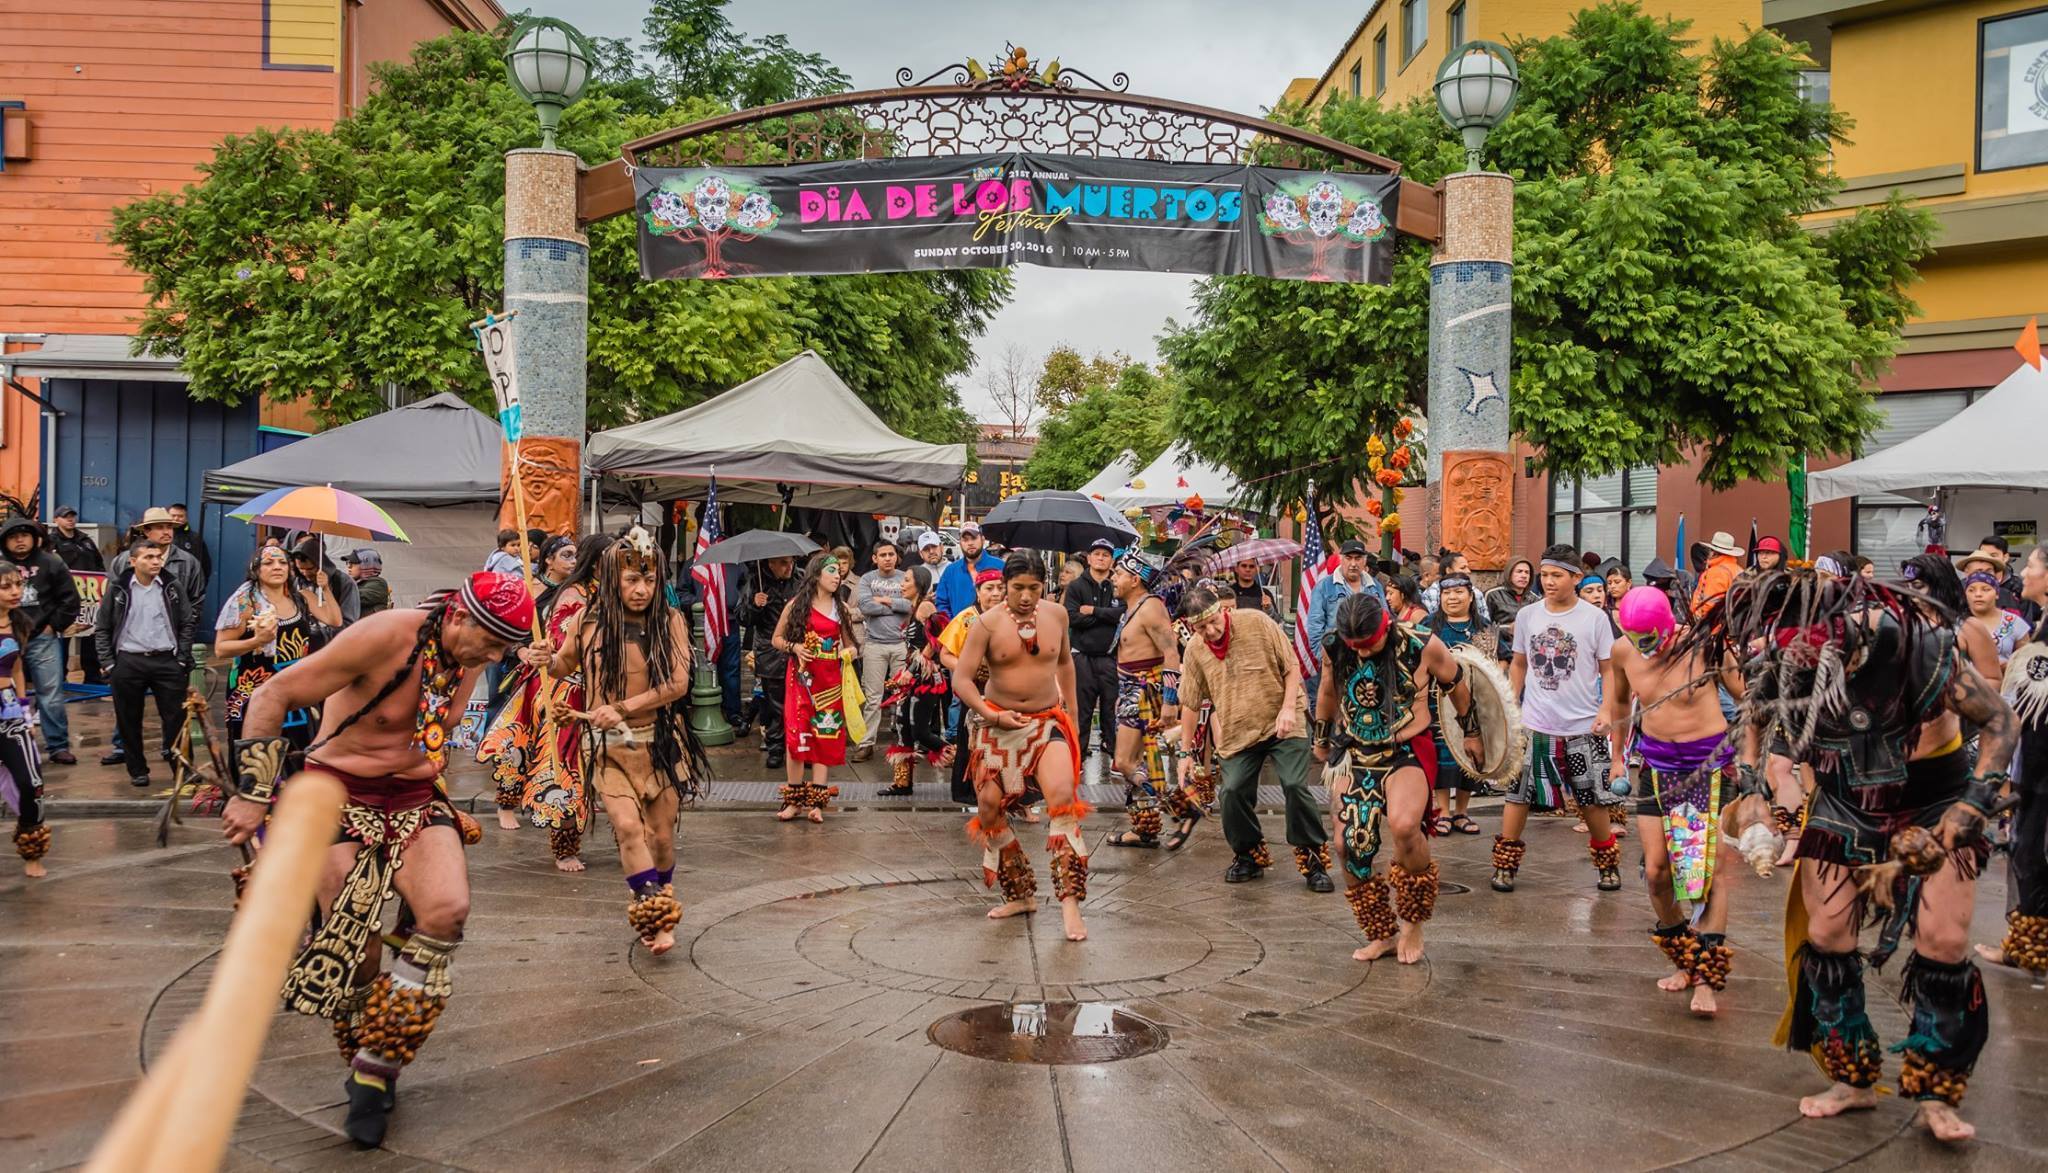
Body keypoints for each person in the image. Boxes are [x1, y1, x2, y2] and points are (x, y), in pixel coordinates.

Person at [1686, 567, 2015, 1145]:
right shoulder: (1785, 659)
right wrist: (1754, 787)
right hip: (1844, 802)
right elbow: (1754, 724)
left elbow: (2000, 722)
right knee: (1829, 935)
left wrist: (1972, 807)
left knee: (1943, 942)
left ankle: (1937, 1090)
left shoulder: (1920, 648)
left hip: (1932, 801)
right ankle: (1853, 1078)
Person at [218, 571, 531, 1148]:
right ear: (459, 617)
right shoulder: (383, 636)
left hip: (414, 797)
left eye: (503, 647)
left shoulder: (473, 654)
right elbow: (271, 695)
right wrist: (253, 792)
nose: (494, 656)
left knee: (446, 912)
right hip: (338, 794)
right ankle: (364, 1049)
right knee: (352, 944)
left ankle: (378, 1063)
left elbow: (440, 725)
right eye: (490, 643)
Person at [525, 527, 706, 954]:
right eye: (631, 580)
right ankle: (655, 918)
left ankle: (658, 898)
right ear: (613, 579)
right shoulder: (586, 620)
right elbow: (561, 664)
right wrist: (543, 658)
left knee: (660, 836)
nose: (641, 589)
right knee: (627, 828)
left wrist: (623, 708)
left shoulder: (671, 619)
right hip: (608, 746)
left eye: (648, 579)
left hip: (659, 740)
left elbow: (679, 683)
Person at [1603, 587, 1746, 1017]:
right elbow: (1619, 705)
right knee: (1657, 873)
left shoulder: (1706, 641)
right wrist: (1616, 760)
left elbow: (1748, 696)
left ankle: (1706, 977)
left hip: (1708, 769)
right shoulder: (1623, 651)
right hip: (1657, 769)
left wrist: (1756, 757)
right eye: (1636, 637)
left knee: (1703, 874)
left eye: (1651, 638)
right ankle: (1684, 958)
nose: (1644, 646)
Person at [1314, 590, 1475, 962]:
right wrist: (1321, 739)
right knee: (1346, 846)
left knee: (1404, 827)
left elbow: (1456, 684)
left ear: (1386, 626)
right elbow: (1327, 690)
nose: (1363, 653)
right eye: (1356, 646)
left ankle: (1413, 923)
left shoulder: (1422, 644)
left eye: (1369, 645)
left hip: (1406, 749)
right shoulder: (1334, 646)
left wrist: (1472, 733)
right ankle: (1381, 933)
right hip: (1355, 752)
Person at [952, 552, 1090, 941]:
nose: (1026, 596)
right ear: (1005, 587)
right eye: (1017, 589)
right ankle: (1020, 894)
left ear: (1043, 586)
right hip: (998, 723)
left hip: (1047, 722)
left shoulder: (1057, 616)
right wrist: (990, 715)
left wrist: (1074, 716)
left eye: (1034, 588)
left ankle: (1070, 905)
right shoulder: (986, 624)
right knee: (989, 809)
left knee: (1062, 797)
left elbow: (1065, 663)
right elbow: (962, 680)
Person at [1178, 581, 1333, 890]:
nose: (1209, 631)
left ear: (1222, 610)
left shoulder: (1257, 622)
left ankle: (1312, 857)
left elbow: (1291, 667)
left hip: (1282, 723)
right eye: (1200, 628)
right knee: (1232, 792)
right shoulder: (1196, 650)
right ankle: (1248, 854)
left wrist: (1288, 709)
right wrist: (1185, 754)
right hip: (1238, 730)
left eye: (1212, 622)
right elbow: (1190, 703)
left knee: (1293, 785)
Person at [1494, 543, 1622, 893]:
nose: (1548, 581)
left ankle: (1607, 864)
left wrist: (1606, 709)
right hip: (1535, 723)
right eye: (1545, 574)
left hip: (1582, 726)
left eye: (1557, 575)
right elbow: (1519, 663)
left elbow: (1609, 671)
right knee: (1518, 795)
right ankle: (1505, 865)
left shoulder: (1595, 619)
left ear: (1576, 578)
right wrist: (1511, 706)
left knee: (1591, 799)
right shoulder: (1528, 615)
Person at [480, 534, 607, 864]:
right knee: (542, 756)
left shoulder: (607, 592)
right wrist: (521, 649)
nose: (569, 559)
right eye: (564, 554)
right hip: (558, 683)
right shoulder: (552, 591)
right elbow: (559, 642)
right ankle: (558, 841)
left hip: (600, 690)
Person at [215, 546, 342, 786]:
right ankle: (253, 801)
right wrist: (257, 641)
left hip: (295, 684)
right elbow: (221, 648)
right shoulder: (246, 602)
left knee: (298, 741)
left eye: (282, 563)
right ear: (256, 569)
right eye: (269, 563)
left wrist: (325, 587)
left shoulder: (302, 597)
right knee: (256, 749)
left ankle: (294, 801)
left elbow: (334, 619)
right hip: (253, 687)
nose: (277, 568)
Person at [1983, 544, 2047, 980]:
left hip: (2042, 764)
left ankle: (2028, 948)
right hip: (2036, 762)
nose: (2023, 571)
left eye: (2031, 565)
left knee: (2031, 853)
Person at [94, 539, 198, 789]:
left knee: (176, 719)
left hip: (167, 660)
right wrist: (109, 663)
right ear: (133, 561)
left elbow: (186, 622)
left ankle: (184, 769)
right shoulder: (118, 588)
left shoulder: (171, 586)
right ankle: (137, 769)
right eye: (148, 557)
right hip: (128, 660)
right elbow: (103, 627)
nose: (155, 561)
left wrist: (182, 658)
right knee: (128, 720)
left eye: (158, 556)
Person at [774, 551, 861, 823]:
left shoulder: (841, 609)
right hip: (800, 681)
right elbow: (776, 639)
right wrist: (795, 647)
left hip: (830, 683)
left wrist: (847, 654)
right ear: (817, 574)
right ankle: (793, 801)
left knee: (825, 736)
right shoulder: (796, 605)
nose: (838, 576)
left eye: (839, 571)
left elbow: (853, 647)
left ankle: (818, 803)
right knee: (796, 739)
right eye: (832, 571)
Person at [1104, 552, 1184, 850]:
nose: (1113, 579)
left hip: (1142, 691)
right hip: (1130, 690)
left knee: (1124, 762)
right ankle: (1144, 829)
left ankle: (1174, 803)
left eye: (1118, 574)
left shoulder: (1150, 608)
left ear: (1134, 579)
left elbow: (1171, 653)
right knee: (1135, 763)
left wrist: (1169, 701)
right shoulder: (1134, 606)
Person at [0, 515, 80, 765]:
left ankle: (57, 746)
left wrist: (52, 625)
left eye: (24, 535)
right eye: (13, 537)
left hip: (41, 639)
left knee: (50, 693)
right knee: (5, 692)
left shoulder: (52, 562)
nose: (20, 540)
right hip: (5, 638)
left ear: (35, 539)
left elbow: (70, 599)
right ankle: (9, 746)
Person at [1419, 573, 1486, 836]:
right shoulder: (1428, 626)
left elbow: (1501, 658)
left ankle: (1462, 811)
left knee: (1470, 755)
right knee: (1441, 754)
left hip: (1473, 702)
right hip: (1437, 701)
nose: (1453, 597)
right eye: (1447, 593)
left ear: (1470, 596)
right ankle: (1443, 811)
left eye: (1459, 592)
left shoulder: (1484, 628)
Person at [938, 570, 1006, 805]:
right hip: (974, 689)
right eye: (989, 588)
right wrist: (967, 669)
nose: (995, 593)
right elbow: (945, 654)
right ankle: (971, 793)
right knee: (971, 741)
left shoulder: (1011, 615)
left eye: (1000, 587)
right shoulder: (967, 618)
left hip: (1005, 690)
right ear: (978, 592)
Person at [0, 565, 50, 877]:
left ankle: (32, 851)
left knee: (32, 783)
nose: (16, 591)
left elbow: (17, 670)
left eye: (18, 585)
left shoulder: (20, 624)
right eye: (6, 587)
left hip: (9, 712)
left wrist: (25, 711)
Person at [882, 565, 948, 795]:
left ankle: (961, 758)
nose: (902, 584)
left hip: (926, 678)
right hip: (911, 678)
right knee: (903, 728)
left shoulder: (925, 606)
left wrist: (912, 667)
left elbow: (938, 640)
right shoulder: (912, 608)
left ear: (918, 583)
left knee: (921, 732)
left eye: (906, 580)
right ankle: (902, 783)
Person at [1306, 540, 1386, 716]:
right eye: (1348, 558)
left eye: (1358, 558)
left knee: (1366, 711)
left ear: (1364, 561)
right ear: (1341, 559)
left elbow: (1385, 620)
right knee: (1335, 711)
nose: (1353, 563)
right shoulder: (1324, 587)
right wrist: (1325, 659)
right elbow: (1314, 627)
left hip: (1369, 662)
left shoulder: (1375, 586)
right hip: (1336, 661)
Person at [1063, 538, 1123, 770]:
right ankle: (1077, 756)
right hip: (1082, 657)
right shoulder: (1077, 586)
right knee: (1082, 709)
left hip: (1109, 657)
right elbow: (1072, 617)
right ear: (1089, 558)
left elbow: (1124, 613)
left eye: (1106, 555)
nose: (1101, 558)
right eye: (1096, 554)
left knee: (1112, 709)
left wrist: (1094, 611)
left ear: (1111, 560)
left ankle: (1116, 756)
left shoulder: (1116, 585)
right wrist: (1107, 617)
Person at [853, 537, 913, 763]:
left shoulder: (905, 577)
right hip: (875, 645)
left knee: (902, 695)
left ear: (897, 557)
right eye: (883, 555)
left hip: (900, 643)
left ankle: (903, 742)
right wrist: (895, 605)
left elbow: (910, 605)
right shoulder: (867, 579)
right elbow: (865, 606)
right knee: (873, 698)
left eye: (891, 555)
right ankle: (867, 743)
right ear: (874, 558)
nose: (888, 559)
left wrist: (885, 601)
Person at [743, 556, 802, 771]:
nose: (789, 567)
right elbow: (743, 617)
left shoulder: (801, 580)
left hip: (798, 648)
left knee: (799, 703)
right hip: (769, 651)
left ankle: (800, 748)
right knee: (774, 704)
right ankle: (775, 748)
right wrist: (754, 605)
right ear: (771, 564)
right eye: (784, 563)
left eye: (791, 562)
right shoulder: (757, 582)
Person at [108, 507, 205, 609]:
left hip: (169, 624)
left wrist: (186, 624)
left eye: (169, 527)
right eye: (160, 528)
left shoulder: (188, 562)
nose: (166, 532)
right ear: (146, 531)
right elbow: (111, 599)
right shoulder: (123, 560)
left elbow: (196, 601)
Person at [934, 520, 1003, 628]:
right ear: (960, 542)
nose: (970, 543)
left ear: (982, 539)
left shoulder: (1000, 566)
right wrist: (955, 625)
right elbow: (941, 603)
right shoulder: (950, 571)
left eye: (974, 538)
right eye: (965, 540)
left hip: (995, 631)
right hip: (959, 635)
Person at [1961, 562, 2027, 664]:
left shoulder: (2014, 623)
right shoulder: (1956, 623)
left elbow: (2025, 662)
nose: (1978, 594)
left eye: (1986, 590)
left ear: (1997, 594)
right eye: (1971, 590)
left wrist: (2008, 666)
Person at [1967, 536, 2036, 623]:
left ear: (2005, 557)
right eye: (1984, 554)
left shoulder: (2019, 586)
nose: (1988, 559)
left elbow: (2026, 623)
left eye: (1993, 555)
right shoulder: (1964, 585)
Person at [292, 537, 359, 627]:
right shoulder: (297, 582)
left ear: (321, 564)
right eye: (301, 569)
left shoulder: (344, 582)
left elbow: (348, 623)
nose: (306, 573)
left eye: (310, 568)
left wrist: (320, 635)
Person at [1485, 557, 1537, 664]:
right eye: (1519, 571)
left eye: (1527, 573)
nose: (1524, 576)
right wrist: (1508, 628)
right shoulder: (1492, 595)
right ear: (1509, 573)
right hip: (1501, 653)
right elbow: (1483, 626)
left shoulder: (1535, 599)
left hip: (1526, 654)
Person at [1690, 530, 1745, 616]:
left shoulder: (1716, 572)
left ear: (1714, 552)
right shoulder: (1739, 569)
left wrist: (1699, 620)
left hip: (1714, 625)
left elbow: (1710, 604)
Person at [166, 502, 211, 582]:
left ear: (186, 518)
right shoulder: (161, 536)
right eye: (173, 516)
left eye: (180, 516)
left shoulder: (195, 538)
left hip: (188, 584)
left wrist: (199, 585)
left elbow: (205, 564)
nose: (176, 518)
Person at [346, 549, 393, 617]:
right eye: (348, 563)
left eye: (353, 563)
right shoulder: (354, 584)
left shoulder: (378, 583)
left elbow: (355, 597)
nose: (348, 567)